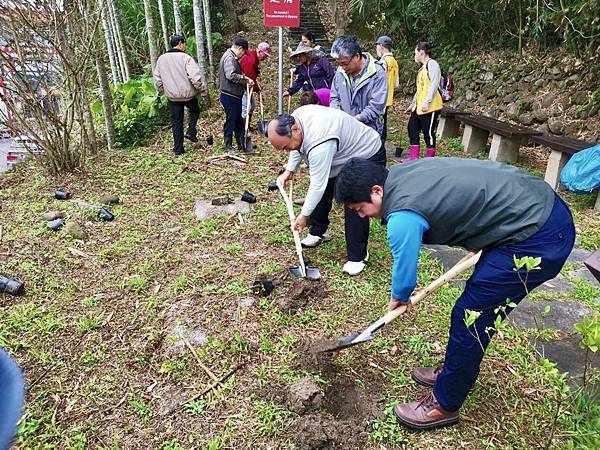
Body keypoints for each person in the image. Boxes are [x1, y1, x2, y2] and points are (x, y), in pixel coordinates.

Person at [334, 157, 575, 430]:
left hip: (538, 234)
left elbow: (405, 274)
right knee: (474, 310)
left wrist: (399, 298)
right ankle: (455, 372)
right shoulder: (401, 173)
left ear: (377, 191)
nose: (361, 216)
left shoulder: (401, 216)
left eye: (360, 208)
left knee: (471, 315)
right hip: (536, 204)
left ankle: (444, 404)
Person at [267, 105, 386, 275]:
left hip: (366, 151)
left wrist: (304, 215)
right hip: (340, 155)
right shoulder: (296, 120)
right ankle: (319, 232)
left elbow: (317, 184)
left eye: (285, 147)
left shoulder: (319, 141)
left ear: (294, 129)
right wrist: (289, 170)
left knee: (354, 201)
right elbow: (296, 147)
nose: (287, 150)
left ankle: (357, 256)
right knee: (322, 190)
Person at [153, 35, 207, 156]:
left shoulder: (161, 59)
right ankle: (191, 131)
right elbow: (195, 77)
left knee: (176, 123)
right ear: (180, 43)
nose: (185, 46)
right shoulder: (185, 58)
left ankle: (178, 150)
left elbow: (157, 79)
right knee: (195, 110)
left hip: (172, 97)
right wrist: (202, 89)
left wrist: (164, 90)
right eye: (185, 44)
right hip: (188, 95)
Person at [330, 35, 388, 136]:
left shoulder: (377, 73)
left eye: (344, 63)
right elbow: (335, 97)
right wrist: (336, 115)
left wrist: (357, 119)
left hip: (370, 132)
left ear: (357, 56)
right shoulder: (340, 73)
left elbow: (376, 106)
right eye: (339, 64)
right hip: (346, 132)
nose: (342, 67)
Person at [405, 42, 443, 160]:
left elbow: (434, 85)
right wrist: (413, 104)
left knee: (428, 133)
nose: (414, 55)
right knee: (412, 128)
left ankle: (429, 159)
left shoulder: (432, 64)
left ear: (421, 52)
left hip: (430, 106)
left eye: (415, 52)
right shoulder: (422, 68)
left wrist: (427, 102)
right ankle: (413, 157)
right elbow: (420, 88)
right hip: (419, 106)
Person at [218, 37, 254, 153]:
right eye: (243, 52)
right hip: (229, 95)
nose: (243, 55)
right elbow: (231, 75)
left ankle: (242, 144)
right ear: (240, 48)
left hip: (234, 95)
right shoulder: (229, 57)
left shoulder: (232, 57)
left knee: (238, 121)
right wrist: (245, 79)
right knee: (231, 120)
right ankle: (228, 145)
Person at [239, 42, 271, 128]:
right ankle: (243, 129)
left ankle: (247, 126)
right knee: (246, 108)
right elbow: (249, 78)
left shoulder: (253, 58)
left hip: (247, 85)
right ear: (259, 51)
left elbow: (252, 75)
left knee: (251, 106)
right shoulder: (251, 61)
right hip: (242, 86)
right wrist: (257, 89)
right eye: (265, 55)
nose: (265, 57)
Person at [375, 36, 399, 143]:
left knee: (379, 124)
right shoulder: (394, 61)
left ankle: (379, 146)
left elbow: (378, 80)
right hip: (389, 97)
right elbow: (397, 83)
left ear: (381, 46)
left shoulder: (383, 62)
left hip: (380, 97)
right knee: (383, 122)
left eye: (377, 45)